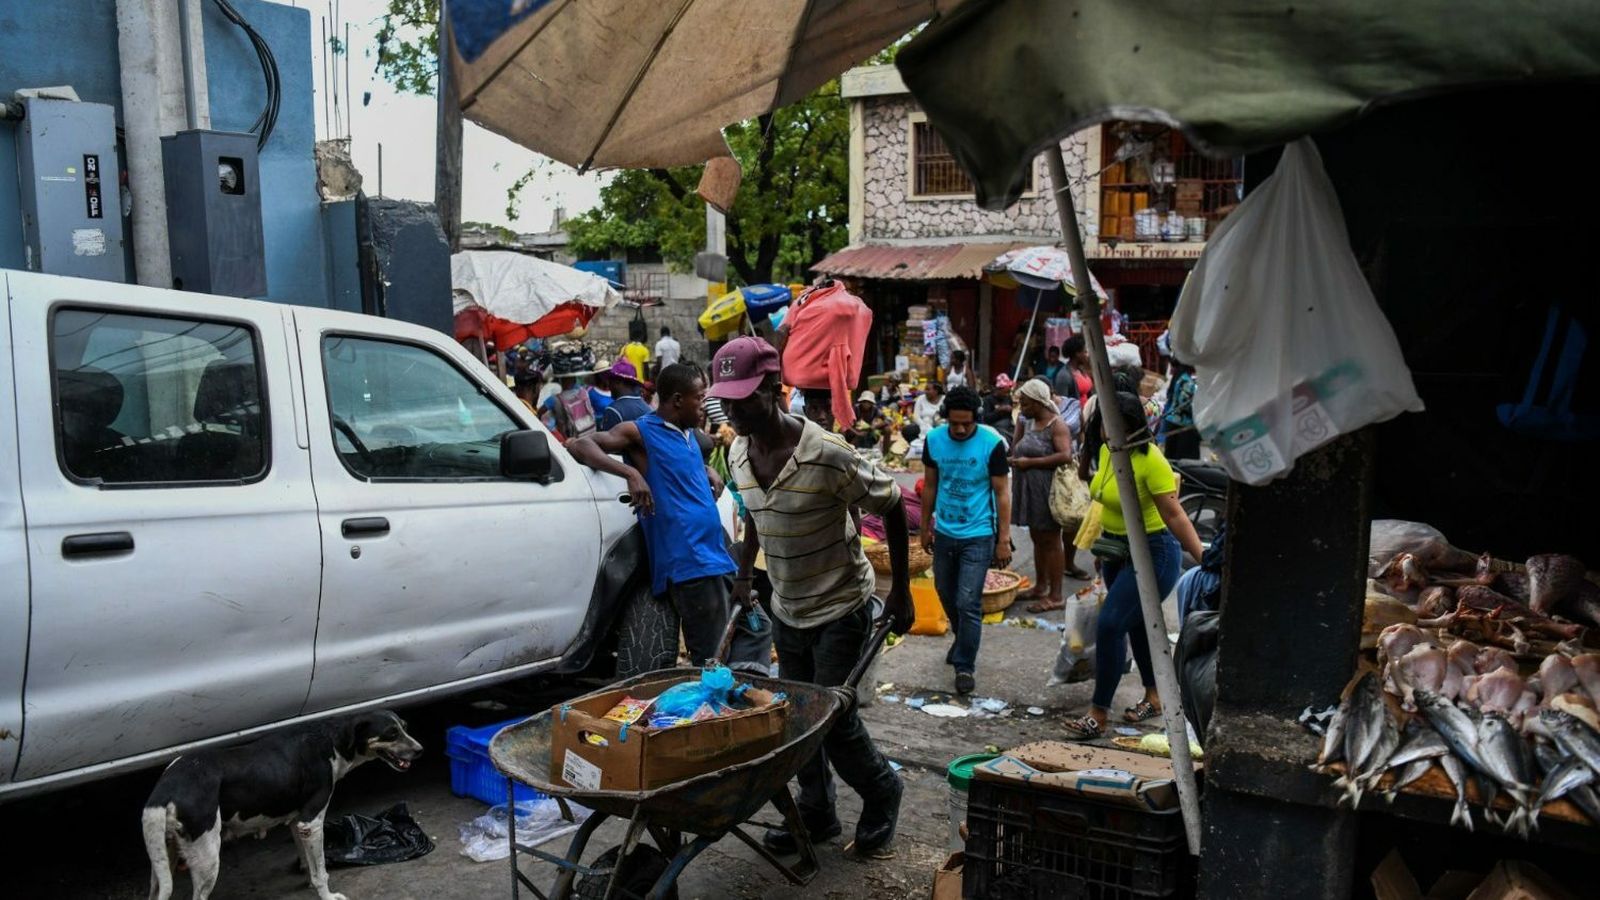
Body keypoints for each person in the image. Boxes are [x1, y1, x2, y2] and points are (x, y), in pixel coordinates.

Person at [713, 336, 912, 861]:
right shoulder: (737, 450)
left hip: (841, 605)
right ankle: (819, 812)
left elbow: (891, 504)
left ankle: (882, 790)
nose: (733, 412)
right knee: (792, 714)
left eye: (743, 399)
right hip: (787, 606)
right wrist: (742, 574)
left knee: (829, 717)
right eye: (726, 401)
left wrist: (902, 595)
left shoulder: (827, 454)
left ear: (775, 390)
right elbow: (757, 512)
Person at [564, 363, 768, 673]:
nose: (705, 406)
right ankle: (717, 709)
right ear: (676, 400)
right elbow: (580, 444)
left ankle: (742, 692)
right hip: (690, 563)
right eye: (700, 398)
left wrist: (705, 470)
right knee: (711, 656)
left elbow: (678, 470)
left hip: (715, 557)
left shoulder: (686, 436)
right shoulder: (641, 430)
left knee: (756, 626)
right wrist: (630, 472)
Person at [1063, 391, 1206, 741]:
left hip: (1154, 553)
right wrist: (1101, 546)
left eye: (1121, 426)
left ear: (1135, 426)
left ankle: (1098, 713)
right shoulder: (1106, 451)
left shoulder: (1150, 459)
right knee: (1137, 624)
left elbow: (1174, 514)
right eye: (1107, 425)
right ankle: (1154, 696)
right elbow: (1106, 499)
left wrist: (1205, 559)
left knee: (1111, 624)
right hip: (1115, 553)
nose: (1113, 432)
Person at [920, 386, 1012, 695]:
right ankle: (963, 642)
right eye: (954, 423)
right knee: (945, 592)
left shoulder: (991, 444)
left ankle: (964, 666)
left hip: (979, 534)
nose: (959, 429)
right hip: (945, 532)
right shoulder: (934, 440)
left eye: (966, 424)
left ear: (977, 419)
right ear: (946, 418)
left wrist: (1003, 539)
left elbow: (1002, 493)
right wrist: (924, 526)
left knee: (967, 601)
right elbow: (931, 485)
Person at [1009, 379, 1076, 614]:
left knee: (1050, 540)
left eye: (1025, 403)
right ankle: (1040, 586)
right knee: (1038, 538)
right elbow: (1017, 448)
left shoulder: (1056, 425)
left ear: (1038, 402)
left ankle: (1056, 595)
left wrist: (1031, 463)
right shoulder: (1028, 423)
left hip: (1047, 490)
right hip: (1029, 489)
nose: (1022, 407)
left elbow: (1066, 455)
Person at [1160, 358, 1200, 460]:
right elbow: (1184, 404)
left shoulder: (1182, 377)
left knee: (1172, 456)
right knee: (1183, 458)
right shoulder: (1187, 382)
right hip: (1182, 425)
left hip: (1175, 422)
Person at [597, 357, 652, 431]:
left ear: (618, 382)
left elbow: (606, 441)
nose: (608, 386)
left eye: (610, 382)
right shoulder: (647, 408)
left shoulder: (613, 411)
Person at [1056, 336, 1093, 408]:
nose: (1087, 355)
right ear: (1077, 354)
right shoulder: (1064, 376)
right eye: (1085, 352)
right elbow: (1062, 405)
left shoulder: (1081, 370)